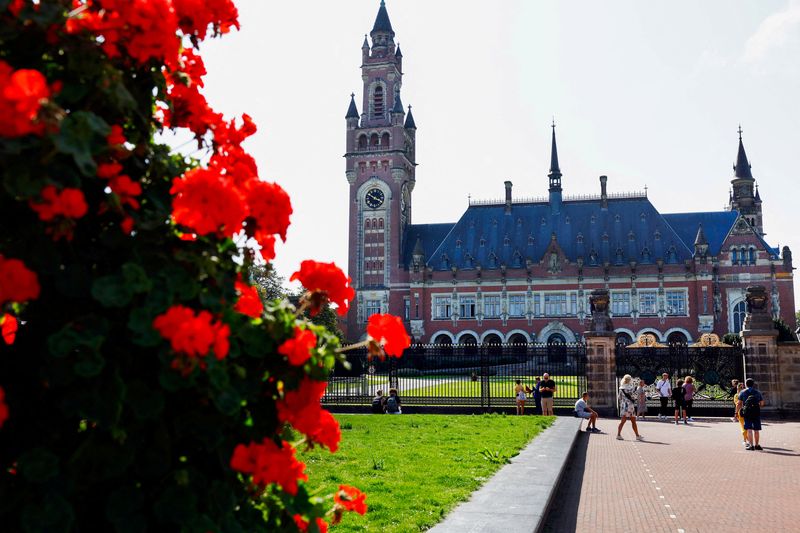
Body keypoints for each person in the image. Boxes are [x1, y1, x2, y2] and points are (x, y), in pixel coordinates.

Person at [737, 378, 765, 450]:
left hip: (747, 413)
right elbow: (762, 403)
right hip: (756, 412)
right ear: (753, 384)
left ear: (746, 384)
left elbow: (739, 403)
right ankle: (757, 445)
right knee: (756, 429)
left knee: (749, 429)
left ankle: (751, 445)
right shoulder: (757, 392)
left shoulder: (743, 392)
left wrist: (736, 412)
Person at [617, 374, 643, 440]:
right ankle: (637, 435)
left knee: (622, 421)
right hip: (630, 406)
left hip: (623, 406)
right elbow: (634, 396)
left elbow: (619, 398)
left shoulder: (621, 388)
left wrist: (622, 403)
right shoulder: (630, 388)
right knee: (633, 421)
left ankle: (618, 434)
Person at [733, 382, 748, 447]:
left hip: (741, 412)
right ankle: (748, 439)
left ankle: (745, 440)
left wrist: (735, 413)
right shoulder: (747, 394)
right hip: (747, 411)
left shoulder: (737, 395)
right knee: (747, 426)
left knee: (743, 427)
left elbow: (737, 404)